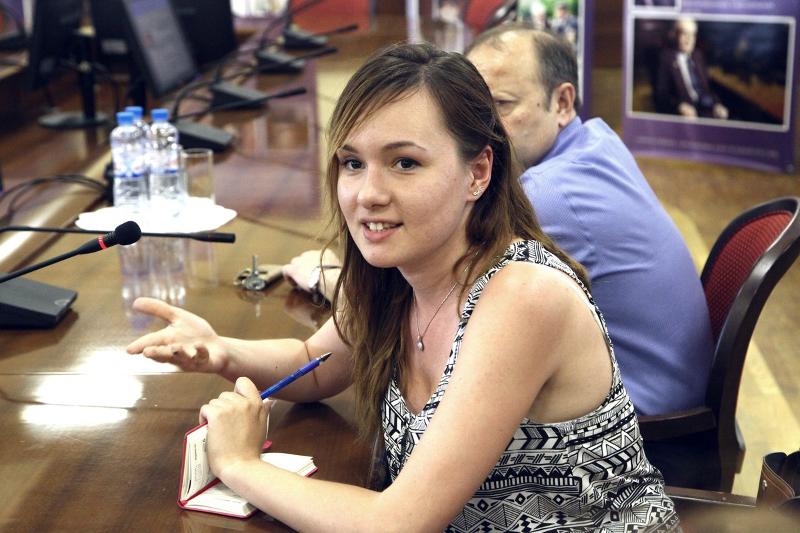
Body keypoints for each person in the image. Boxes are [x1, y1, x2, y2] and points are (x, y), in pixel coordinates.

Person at [127, 42, 678, 531]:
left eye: (405, 163)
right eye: (352, 162)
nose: (368, 193)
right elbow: (313, 364)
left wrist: (239, 464)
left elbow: (398, 523)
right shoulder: (397, 273)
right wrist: (221, 351)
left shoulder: (522, 297)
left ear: (477, 173)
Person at [465, 25, 717, 488]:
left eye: (501, 105)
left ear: (562, 102)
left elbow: (450, 300)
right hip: (678, 402)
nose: (480, 128)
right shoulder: (596, 139)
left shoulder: (547, 193)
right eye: (471, 107)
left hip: (650, 439)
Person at [655, 17, 729, 119]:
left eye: (692, 35)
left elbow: (708, 88)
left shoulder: (698, 55)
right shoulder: (665, 59)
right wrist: (679, 106)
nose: (689, 40)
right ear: (675, 35)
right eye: (684, 34)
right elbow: (661, 95)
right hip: (687, 112)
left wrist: (717, 104)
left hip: (707, 106)